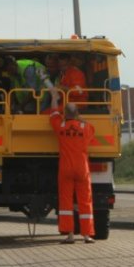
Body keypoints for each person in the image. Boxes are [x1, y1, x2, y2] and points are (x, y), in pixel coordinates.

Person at [48, 87, 95, 244]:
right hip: (82, 169)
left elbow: (53, 114)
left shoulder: (60, 126)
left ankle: (69, 235)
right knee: (85, 201)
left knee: (66, 202)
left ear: (65, 114)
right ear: (77, 114)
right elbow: (91, 131)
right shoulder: (85, 128)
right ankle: (87, 235)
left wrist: (54, 96)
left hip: (66, 168)